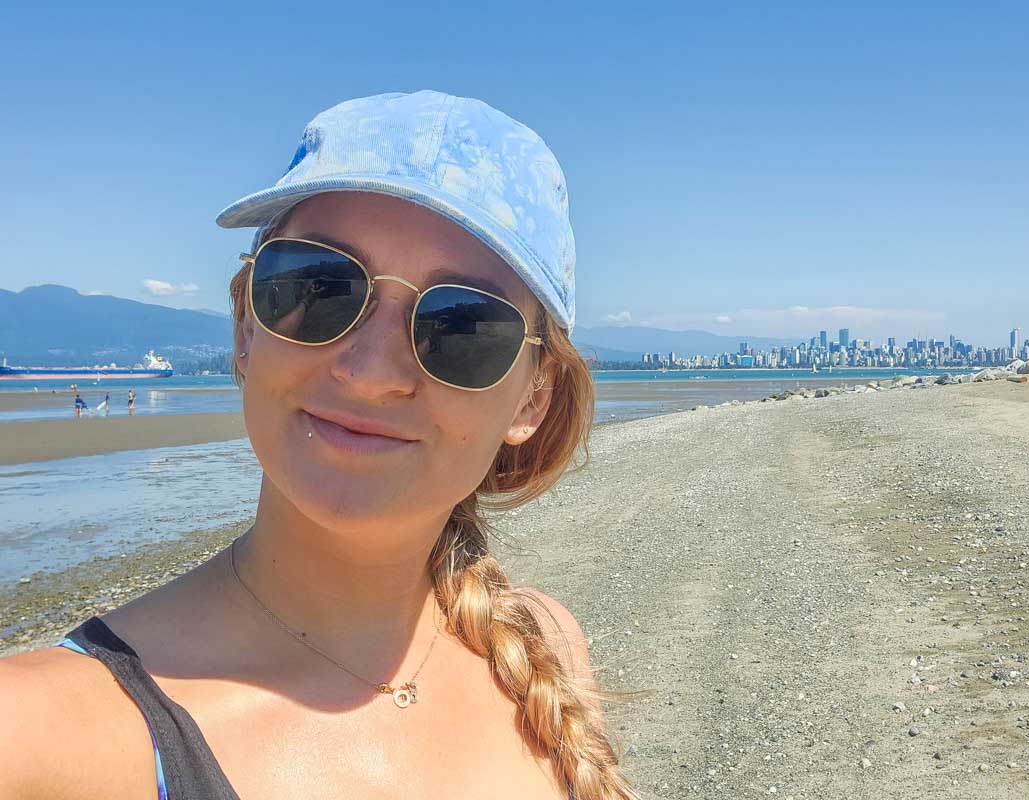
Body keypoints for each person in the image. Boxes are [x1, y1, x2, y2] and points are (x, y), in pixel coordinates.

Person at [0, 91, 635, 800]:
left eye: (462, 327)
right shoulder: (40, 738)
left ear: (532, 397)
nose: (369, 374)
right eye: (319, 286)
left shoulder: (549, 647)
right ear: (246, 330)